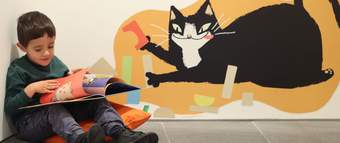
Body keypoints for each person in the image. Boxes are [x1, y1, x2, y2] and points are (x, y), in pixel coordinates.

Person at [5, 11, 158, 143]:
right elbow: (10, 107)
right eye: (38, 49)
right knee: (54, 109)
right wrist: (30, 89)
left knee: (97, 99)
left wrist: (73, 76)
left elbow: (62, 82)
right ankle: (80, 139)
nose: (46, 53)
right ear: (22, 47)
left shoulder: (55, 61)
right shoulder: (18, 69)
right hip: (30, 123)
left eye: (51, 46)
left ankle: (120, 133)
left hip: (63, 111)